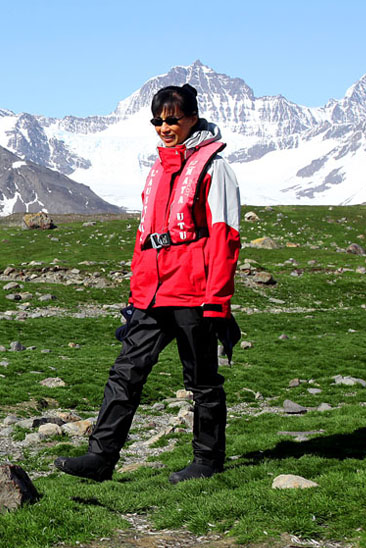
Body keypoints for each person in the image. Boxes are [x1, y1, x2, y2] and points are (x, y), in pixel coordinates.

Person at [54, 84, 241, 484]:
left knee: (202, 381)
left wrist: (218, 303)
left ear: (192, 117)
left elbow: (225, 237)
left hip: (194, 293)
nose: (164, 127)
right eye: (157, 120)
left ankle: (207, 462)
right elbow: (147, 236)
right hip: (154, 294)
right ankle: (100, 458)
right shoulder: (159, 168)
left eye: (172, 119)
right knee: (125, 372)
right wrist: (135, 296)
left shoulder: (214, 167)